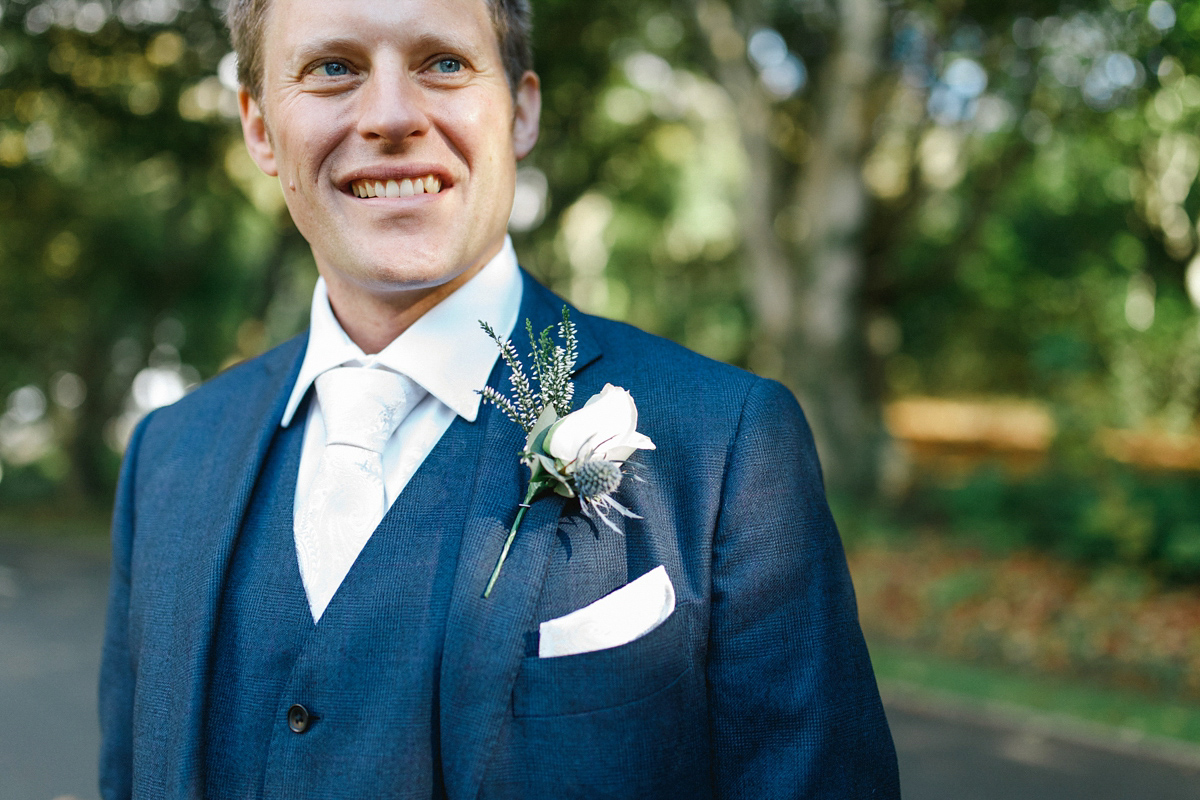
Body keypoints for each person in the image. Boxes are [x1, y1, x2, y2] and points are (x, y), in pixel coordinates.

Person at [98, 0, 900, 796]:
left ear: (520, 110)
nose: (389, 115)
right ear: (260, 128)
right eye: (332, 68)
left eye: (443, 63)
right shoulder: (167, 457)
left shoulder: (724, 445)